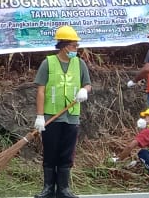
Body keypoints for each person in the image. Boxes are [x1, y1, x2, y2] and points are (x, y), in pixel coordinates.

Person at [33, 25, 92, 198]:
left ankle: (63, 188)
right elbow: (41, 91)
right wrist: (40, 116)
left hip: (72, 116)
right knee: (50, 152)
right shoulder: (48, 63)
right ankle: (48, 188)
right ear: (64, 45)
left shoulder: (79, 63)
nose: (76, 49)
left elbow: (87, 84)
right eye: (74, 45)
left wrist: (84, 91)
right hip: (52, 117)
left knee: (67, 153)